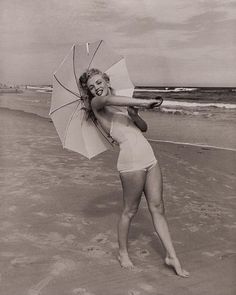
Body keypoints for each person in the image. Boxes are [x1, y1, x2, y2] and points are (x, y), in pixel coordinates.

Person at [79, 69, 189, 278]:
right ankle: (122, 253)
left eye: (99, 82)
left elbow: (143, 129)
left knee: (158, 208)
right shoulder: (97, 105)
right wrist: (144, 102)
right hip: (131, 162)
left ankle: (172, 256)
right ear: (90, 93)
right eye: (92, 87)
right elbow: (110, 98)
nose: (97, 88)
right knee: (130, 211)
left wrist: (135, 114)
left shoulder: (120, 105)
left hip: (150, 157)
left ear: (106, 80)